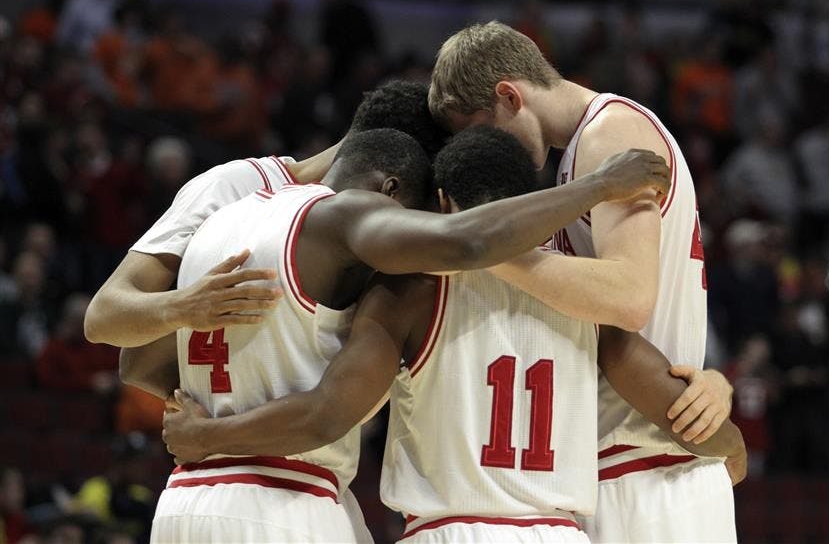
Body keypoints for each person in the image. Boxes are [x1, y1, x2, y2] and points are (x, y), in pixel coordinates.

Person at [159, 127, 745, 543]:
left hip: (447, 532)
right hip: (557, 533)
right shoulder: (586, 301)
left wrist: (206, 435)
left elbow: (327, 412)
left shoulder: (409, 292)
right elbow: (683, 420)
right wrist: (732, 446)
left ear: (441, 203)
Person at [428, 21, 737, 542]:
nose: (484, 149)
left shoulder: (609, 133)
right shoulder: (579, 158)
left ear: (509, 95)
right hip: (627, 466)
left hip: (649, 468)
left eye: (479, 129)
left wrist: (482, 250)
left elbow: (628, 298)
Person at [84, 80, 442, 349]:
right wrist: (183, 308)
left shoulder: (349, 240)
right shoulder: (232, 186)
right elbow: (104, 317)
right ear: (389, 168)